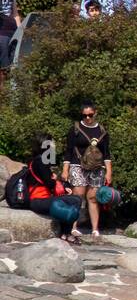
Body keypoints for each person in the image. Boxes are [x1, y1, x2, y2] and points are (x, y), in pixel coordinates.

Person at [62, 102, 112, 239]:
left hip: (97, 168)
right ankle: (73, 227)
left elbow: (107, 153)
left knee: (93, 197)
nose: (88, 118)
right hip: (77, 165)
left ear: (95, 113)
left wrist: (109, 172)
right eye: (85, 115)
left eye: (90, 115)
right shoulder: (75, 129)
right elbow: (69, 150)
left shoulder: (102, 130)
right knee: (78, 196)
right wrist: (65, 170)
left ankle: (95, 229)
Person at [25, 133, 82, 243]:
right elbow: (49, 183)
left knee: (69, 200)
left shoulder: (36, 160)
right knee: (76, 200)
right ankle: (66, 233)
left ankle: (65, 233)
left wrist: (63, 188)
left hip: (40, 199)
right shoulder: (41, 161)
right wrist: (54, 179)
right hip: (38, 201)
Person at [0, 0, 22, 83]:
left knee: (13, 64)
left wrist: (20, 30)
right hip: (1, 33)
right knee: (3, 66)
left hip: (12, 32)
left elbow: (15, 13)